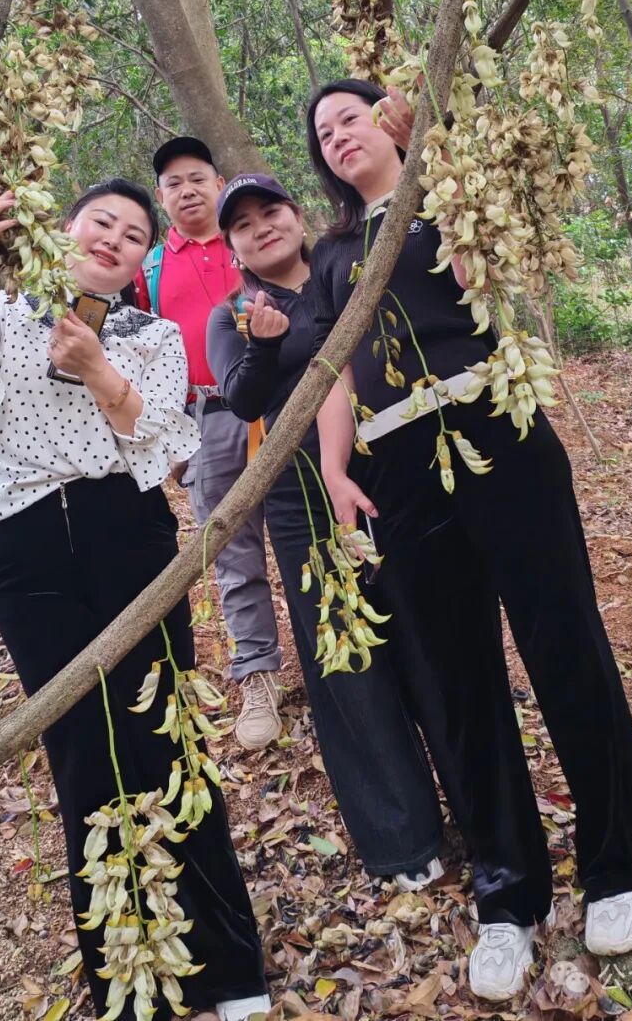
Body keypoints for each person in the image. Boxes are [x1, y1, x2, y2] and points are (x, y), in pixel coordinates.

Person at [305, 80, 632, 1003]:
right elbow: (337, 367)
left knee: (562, 641)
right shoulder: (333, 253)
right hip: (399, 463)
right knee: (457, 680)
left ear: (388, 123)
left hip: (495, 425)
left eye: (349, 117)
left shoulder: (443, 197)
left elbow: (481, 276)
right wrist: (336, 471)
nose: (337, 136)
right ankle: (509, 894)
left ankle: (624, 860)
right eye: (322, 133)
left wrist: (438, 162)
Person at [0, 179, 269, 1021]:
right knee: (83, 754)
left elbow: (157, 439)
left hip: (126, 535)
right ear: (64, 231)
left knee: (167, 733)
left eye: (133, 234)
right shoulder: (2, 314)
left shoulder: (150, 334)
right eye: (101, 222)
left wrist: (97, 368)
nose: (114, 238)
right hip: (23, 548)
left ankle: (230, 968)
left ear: (141, 261)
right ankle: (132, 985)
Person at [206, 172, 445, 889]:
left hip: (390, 472)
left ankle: (469, 802)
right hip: (301, 496)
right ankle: (401, 839)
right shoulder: (234, 312)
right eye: (242, 224)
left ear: (297, 214)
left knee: (423, 634)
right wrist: (263, 344)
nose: (260, 227)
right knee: (345, 659)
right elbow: (240, 398)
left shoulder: (345, 269)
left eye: (270, 211)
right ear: (233, 248)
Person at [135, 138, 281, 751]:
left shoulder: (253, 237)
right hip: (207, 418)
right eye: (174, 183)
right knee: (232, 552)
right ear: (161, 198)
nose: (187, 190)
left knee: (317, 530)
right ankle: (260, 678)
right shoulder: (146, 270)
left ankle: (345, 655)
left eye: (197, 177)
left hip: (285, 402)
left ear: (219, 183)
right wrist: (169, 439)